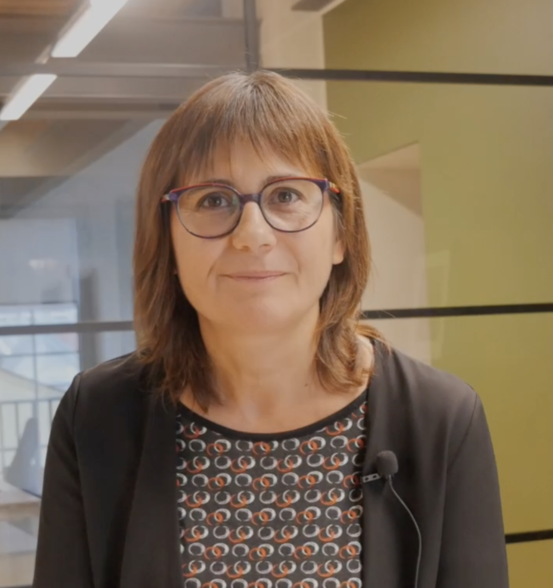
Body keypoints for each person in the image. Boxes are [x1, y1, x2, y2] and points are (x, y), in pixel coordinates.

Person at [34, 71, 507, 588]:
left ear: (340, 234)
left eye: (285, 195)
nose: (253, 235)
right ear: (166, 240)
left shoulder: (442, 418)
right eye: (213, 200)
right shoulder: (96, 415)